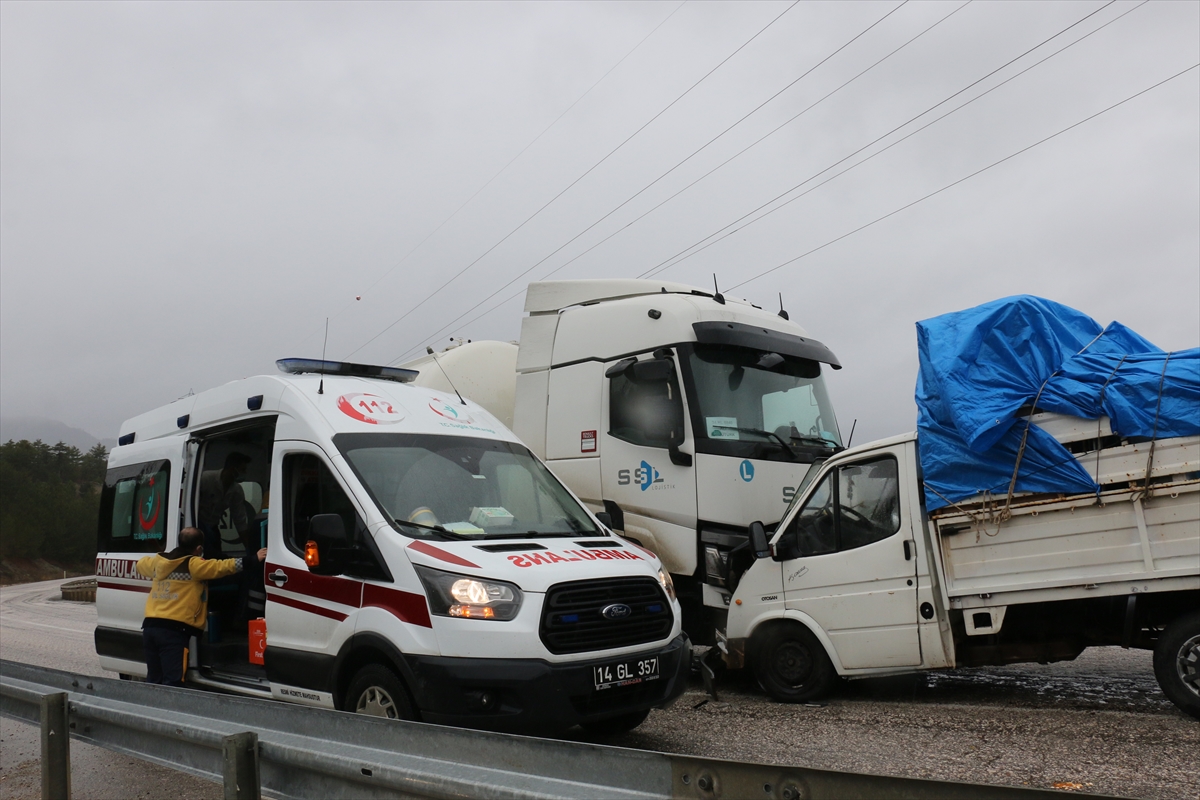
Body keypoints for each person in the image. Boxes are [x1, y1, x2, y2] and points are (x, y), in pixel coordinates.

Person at [136, 526, 267, 686]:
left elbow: (140, 564)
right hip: (173, 632)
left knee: (154, 679)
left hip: (150, 628)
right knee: (173, 681)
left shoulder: (158, 562)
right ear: (198, 549)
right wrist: (254, 559)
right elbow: (222, 567)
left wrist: (161, 555)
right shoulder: (194, 565)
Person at [197, 452, 252, 556]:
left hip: (213, 526)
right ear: (232, 469)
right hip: (198, 525)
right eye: (242, 470)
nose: (245, 473)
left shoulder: (236, 491)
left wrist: (248, 548)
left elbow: (239, 520)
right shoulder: (206, 479)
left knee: (216, 555)